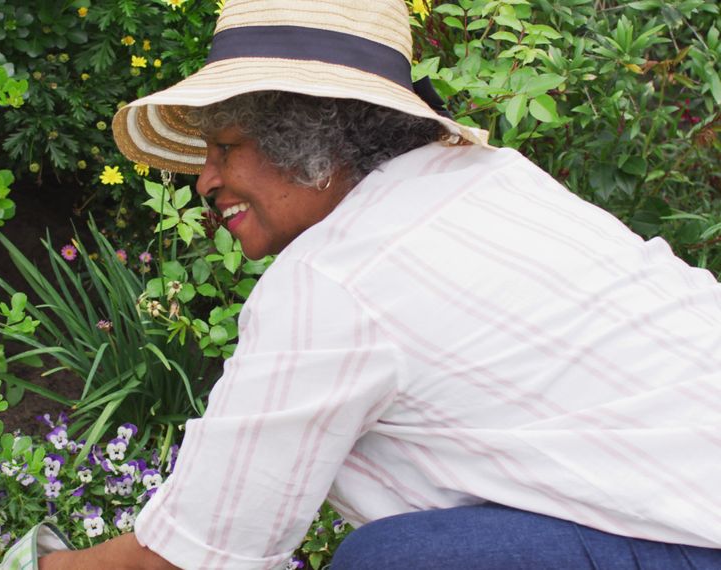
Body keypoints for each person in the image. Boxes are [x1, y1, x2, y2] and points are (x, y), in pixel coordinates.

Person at [35, 0, 721, 568]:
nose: (205, 181)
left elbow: (195, 557)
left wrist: (42, 564)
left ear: (305, 134)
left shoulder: (336, 275)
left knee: (398, 563)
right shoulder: (490, 178)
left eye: (224, 148)